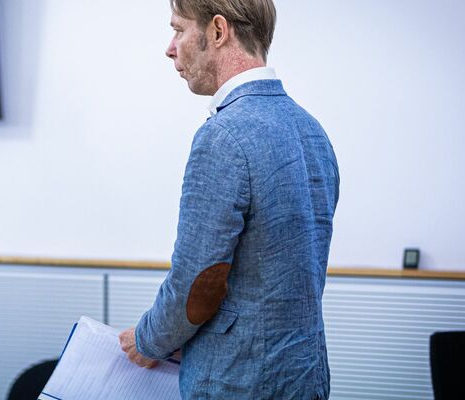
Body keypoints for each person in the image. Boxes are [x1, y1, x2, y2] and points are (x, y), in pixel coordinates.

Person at [118, 0, 339, 398]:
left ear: (218, 32)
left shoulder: (223, 136)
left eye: (178, 29)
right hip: (307, 376)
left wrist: (148, 340)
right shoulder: (312, 131)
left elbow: (197, 285)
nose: (170, 48)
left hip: (239, 383)